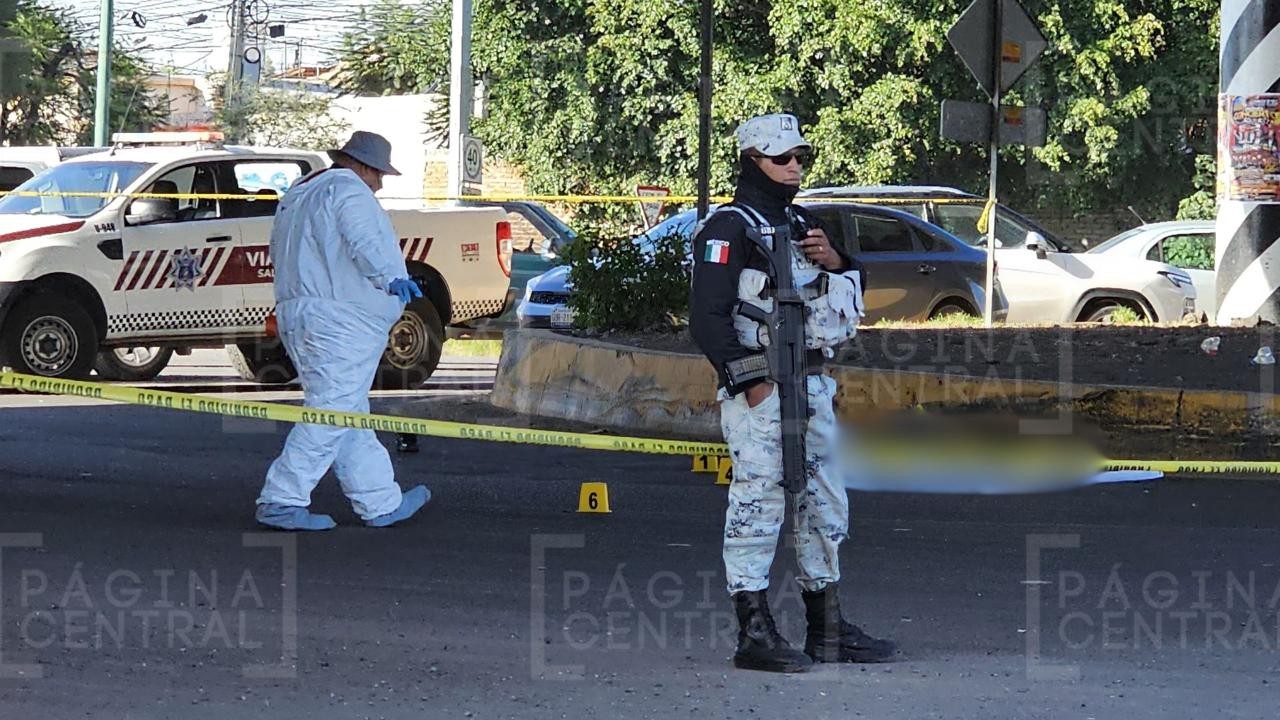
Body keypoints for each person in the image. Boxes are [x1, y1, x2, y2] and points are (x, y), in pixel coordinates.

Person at [689, 113, 897, 672]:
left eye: (800, 156)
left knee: (824, 502)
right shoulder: (726, 228)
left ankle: (826, 629)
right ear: (752, 161)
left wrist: (839, 261)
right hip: (762, 389)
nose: (795, 166)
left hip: (811, 382)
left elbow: (842, 294)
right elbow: (707, 319)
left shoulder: (805, 222)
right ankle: (753, 632)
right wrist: (750, 381)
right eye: (782, 158)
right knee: (758, 503)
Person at [255, 131, 431, 531]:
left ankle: (380, 501)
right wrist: (390, 278)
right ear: (364, 166)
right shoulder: (349, 190)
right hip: (342, 320)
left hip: (301, 311)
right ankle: (282, 498)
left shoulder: (301, 192)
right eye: (379, 174)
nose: (380, 185)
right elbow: (363, 239)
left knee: (346, 410)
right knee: (332, 409)